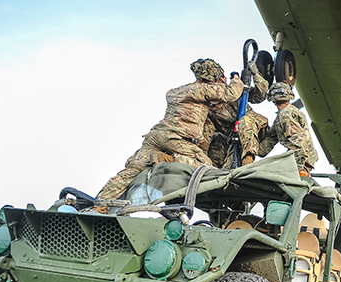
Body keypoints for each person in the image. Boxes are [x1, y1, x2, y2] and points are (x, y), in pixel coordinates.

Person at [96, 59, 243, 202]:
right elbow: (231, 93)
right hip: (177, 139)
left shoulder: (177, 91)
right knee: (205, 167)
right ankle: (169, 160)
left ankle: (101, 201)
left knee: (132, 170)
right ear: (212, 80)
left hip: (156, 136)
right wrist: (236, 79)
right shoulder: (201, 89)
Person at [205, 60, 269, 168]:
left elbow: (260, 95)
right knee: (229, 171)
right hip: (235, 139)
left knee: (244, 122)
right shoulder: (209, 109)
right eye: (222, 76)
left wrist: (256, 74)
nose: (225, 79)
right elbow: (206, 135)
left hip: (255, 127)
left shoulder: (236, 90)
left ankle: (248, 159)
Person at [257, 82, 318, 176]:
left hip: (300, 160)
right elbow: (267, 144)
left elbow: (299, 143)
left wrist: (299, 168)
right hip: (299, 158)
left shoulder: (286, 114)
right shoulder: (283, 115)